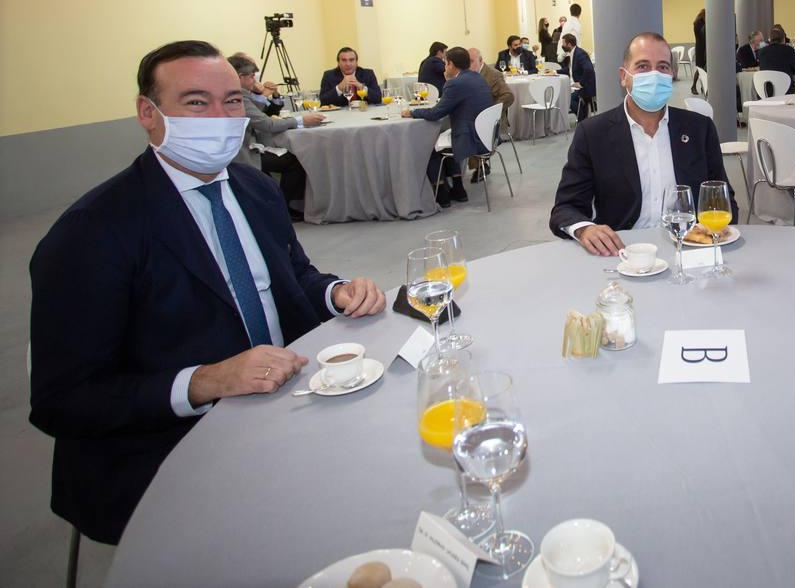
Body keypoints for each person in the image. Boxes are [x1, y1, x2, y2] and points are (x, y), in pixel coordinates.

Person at [28, 41, 386, 544]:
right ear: (147, 114)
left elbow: (293, 276)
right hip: (169, 445)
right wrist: (203, 382)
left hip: (285, 405)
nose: (220, 117)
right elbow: (62, 400)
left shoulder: (253, 189)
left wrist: (336, 293)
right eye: (196, 103)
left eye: (233, 101)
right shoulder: (93, 233)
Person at [549, 32, 738, 255]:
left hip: (691, 250)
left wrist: (709, 230)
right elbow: (566, 207)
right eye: (642, 66)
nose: (654, 75)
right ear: (624, 76)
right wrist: (585, 229)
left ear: (672, 74)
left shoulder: (699, 129)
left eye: (663, 67)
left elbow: (724, 202)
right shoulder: (593, 134)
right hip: (623, 252)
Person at [227, 54, 319, 220]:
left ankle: (282, 206)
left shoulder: (240, 94)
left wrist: (268, 94)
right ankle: (282, 208)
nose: (255, 80)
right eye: (252, 76)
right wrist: (300, 120)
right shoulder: (237, 96)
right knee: (293, 161)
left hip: (250, 146)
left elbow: (262, 113)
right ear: (241, 77)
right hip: (243, 153)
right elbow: (266, 124)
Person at [404, 46, 493, 204]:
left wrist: (412, 112)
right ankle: (458, 188)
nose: (444, 67)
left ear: (450, 64)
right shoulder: (477, 77)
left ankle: (441, 194)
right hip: (486, 134)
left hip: (470, 137)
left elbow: (435, 113)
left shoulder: (455, 83)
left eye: (445, 64)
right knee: (444, 141)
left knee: (428, 145)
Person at [468, 47, 515, 132]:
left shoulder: (493, 75)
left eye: (471, 61)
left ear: (481, 60)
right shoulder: (468, 74)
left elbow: (509, 96)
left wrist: (489, 111)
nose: (467, 65)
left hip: (489, 120)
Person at [754, 26, 795, 94]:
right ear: (783, 39)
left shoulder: (761, 51)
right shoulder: (789, 50)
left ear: (770, 39)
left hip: (766, 91)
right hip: (787, 90)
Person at [563, 33, 596, 122]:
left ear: (569, 44)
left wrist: (581, 83)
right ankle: (584, 118)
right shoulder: (573, 52)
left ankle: (582, 121)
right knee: (566, 94)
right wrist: (554, 71)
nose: (562, 46)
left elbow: (589, 70)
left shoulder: (580, 53)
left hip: (586, 86)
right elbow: (569, 69)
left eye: (563, 44)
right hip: (576, 85)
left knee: (568, 99)